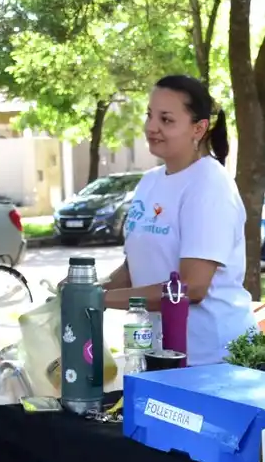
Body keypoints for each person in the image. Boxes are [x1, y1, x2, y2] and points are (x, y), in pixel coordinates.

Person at [98, 76, 252, 366]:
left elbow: (191, 287)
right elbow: (137, 267)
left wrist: (100, 300)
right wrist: (89, 289)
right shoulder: (149, 182)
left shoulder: (209, 184)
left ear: (199, 128)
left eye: (166, 119)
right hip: (158, 355)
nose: (151, 127)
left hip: (210, 359)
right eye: (150, 115)